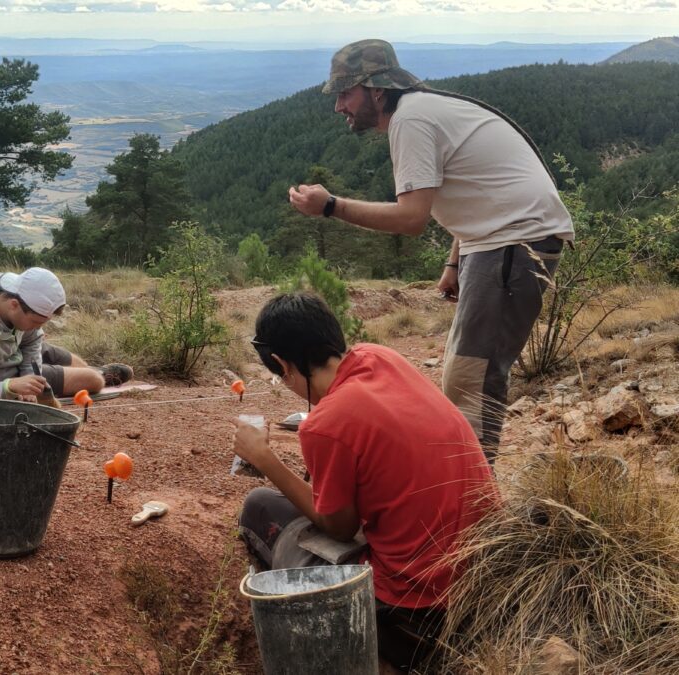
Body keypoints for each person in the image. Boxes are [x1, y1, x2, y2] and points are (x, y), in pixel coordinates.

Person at [288, 39, 574, 463]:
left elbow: (411, 218)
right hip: (499, 241)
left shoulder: (411, 120)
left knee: (471, 380)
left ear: (376, 90)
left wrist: (330, 206)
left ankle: (472, 506)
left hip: (514, 242)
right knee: (465, 374)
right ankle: (467, 491)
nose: (339, 106)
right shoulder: (421, 111)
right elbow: (478, 186)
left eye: (345, 93)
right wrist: (455, 260)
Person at [235, 292, 496, 671]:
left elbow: (340, 528)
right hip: (490, 574)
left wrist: (266, 460)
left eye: (279, 376)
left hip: (416, 607)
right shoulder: (382, 357)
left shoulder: (327, 423)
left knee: (259, 506)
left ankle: (364, 647)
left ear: (281, 363)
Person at [0, 268, 110, 400]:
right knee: (94, 380)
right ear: (14, 305)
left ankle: (103, 370)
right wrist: (9, 387)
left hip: (18, 348)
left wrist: (31, 384)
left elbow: (33, 341)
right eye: (36, 322)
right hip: (3, 377)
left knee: (78, 363)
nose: (40, 328)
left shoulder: (21, 302)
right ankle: (105, 375)